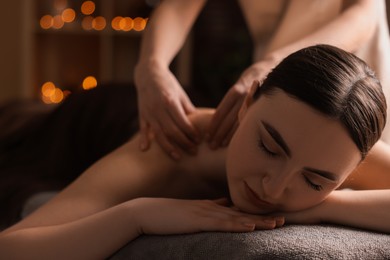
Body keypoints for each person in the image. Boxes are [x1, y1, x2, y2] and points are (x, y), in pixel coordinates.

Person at [1, 45, 390, 259]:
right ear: (247, 103)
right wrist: (137, 215)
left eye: (314, 180)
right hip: (102, 123)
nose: (274, 190)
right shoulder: (160, 157)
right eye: (268, 148)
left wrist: (323, 205)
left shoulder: (328, 138)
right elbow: (11, 248)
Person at [134, 0, 390, 160]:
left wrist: (275, 63)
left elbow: (363, 13)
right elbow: (179, 6)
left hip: (352, 79)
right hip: (275, 82)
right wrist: (150, 65)